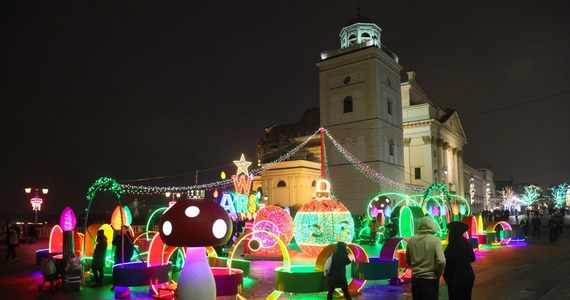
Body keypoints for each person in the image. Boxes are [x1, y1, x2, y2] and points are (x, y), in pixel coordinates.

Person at [405, 216, 446, 300]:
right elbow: (441, 261)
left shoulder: (411, 240)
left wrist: (415, 269)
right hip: (430, 280)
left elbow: (407, 259)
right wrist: (438, 274)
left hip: (416, 280)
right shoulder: (435, 240)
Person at [444, 222, 476, 300]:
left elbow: (447, 261)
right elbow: (473, 258)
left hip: (456, 279)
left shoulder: (452, 245)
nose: (449, 233)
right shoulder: (467, 243)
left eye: (450, 231)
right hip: (468, 277)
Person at [111, 226, 134, 291]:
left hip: (126, 257)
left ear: (126, 230)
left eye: (123, 229)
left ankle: (125, 284)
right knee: (116, 271)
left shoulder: (129, 238)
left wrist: (129, 256)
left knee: (125, 271)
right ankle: (115, 285)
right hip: (118, 256)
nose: (122, 230)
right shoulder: (119, 237)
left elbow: (131, 248)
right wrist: (118, 235)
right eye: (121, 229)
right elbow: (114, 243)